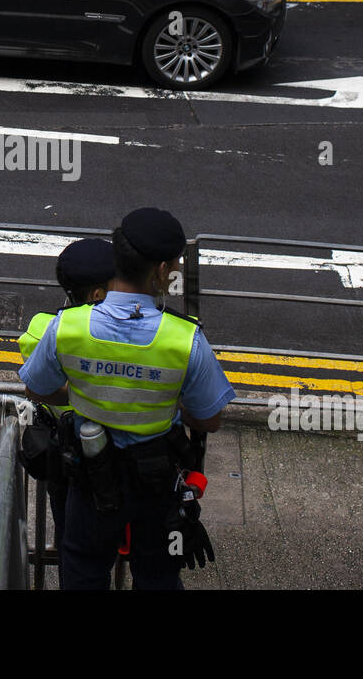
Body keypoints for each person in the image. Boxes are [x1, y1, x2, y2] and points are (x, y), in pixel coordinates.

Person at [20, 208, 232, 590]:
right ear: (160, 270)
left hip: (89, 479)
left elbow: (36, 388)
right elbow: (209, 419)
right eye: (174, 268)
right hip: (158, 484)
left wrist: (85, 392)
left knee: (84, 569)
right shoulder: (186, 340)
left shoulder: (66, 327)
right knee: (159, 575)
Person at [18, 237, 116, 589]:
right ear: (97, 293)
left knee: (75, 549)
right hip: (134, 463)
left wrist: (78, 395)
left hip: (74, 461)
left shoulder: (51, 327)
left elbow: (35, 387)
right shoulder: (149, 326)